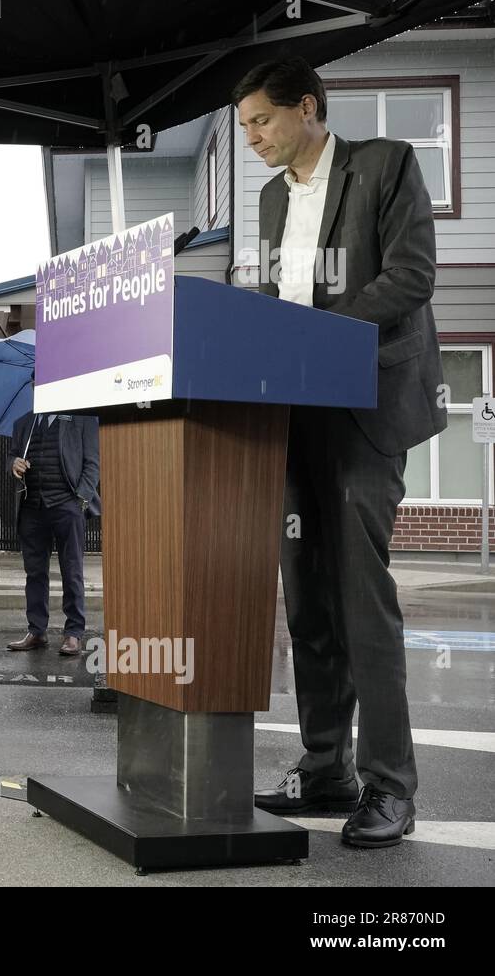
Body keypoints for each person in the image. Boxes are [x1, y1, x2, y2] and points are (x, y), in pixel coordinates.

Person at [234, 57, 446, 848]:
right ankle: (329, 766)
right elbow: (273, 296)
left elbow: (411, 278)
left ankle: (393, 786)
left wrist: (320, 338)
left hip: (365, 408)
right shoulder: (267, 199)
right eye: (246, 125)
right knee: (308, 600)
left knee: (363, 600)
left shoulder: (385, 166)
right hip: (295, 418)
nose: (251, 137)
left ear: (309, 108)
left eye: (261, 120)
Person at [6, 410, 99, 657]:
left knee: (72, 570)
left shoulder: (83, 419)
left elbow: (92, 462)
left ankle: (74, 633)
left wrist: (81, 500)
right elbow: (11, 455)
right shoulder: (22, 422)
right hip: (31, 506)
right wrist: (13, 463)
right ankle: (37, 631)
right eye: (35, 384)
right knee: (34, 572)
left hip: (67, 505)